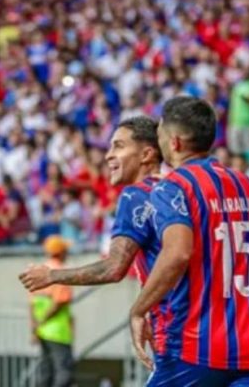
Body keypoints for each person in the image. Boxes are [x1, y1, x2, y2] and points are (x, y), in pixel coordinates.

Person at [130, 97, 249, 386]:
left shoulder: (173, 187)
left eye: (159, 134)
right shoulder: (244, 183)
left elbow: (178, 253)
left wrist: (139, 310)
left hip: (197, 347)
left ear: (174, 143)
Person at [19, 115, 162, 304]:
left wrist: (51, 276)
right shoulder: (172, 188)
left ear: (146, 154)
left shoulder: (134, 195)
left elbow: (113, 268)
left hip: (172, 324)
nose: (108, 155)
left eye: (118, 146)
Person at [29, 236, 74, 387]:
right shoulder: (60, 273)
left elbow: (32, 304)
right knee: (63, 370)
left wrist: (35, 328)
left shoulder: (40, 272)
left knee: (46, 370)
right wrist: (43, 321)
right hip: (58, 331)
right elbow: (59, 302)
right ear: (60, 252)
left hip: (43, 331)